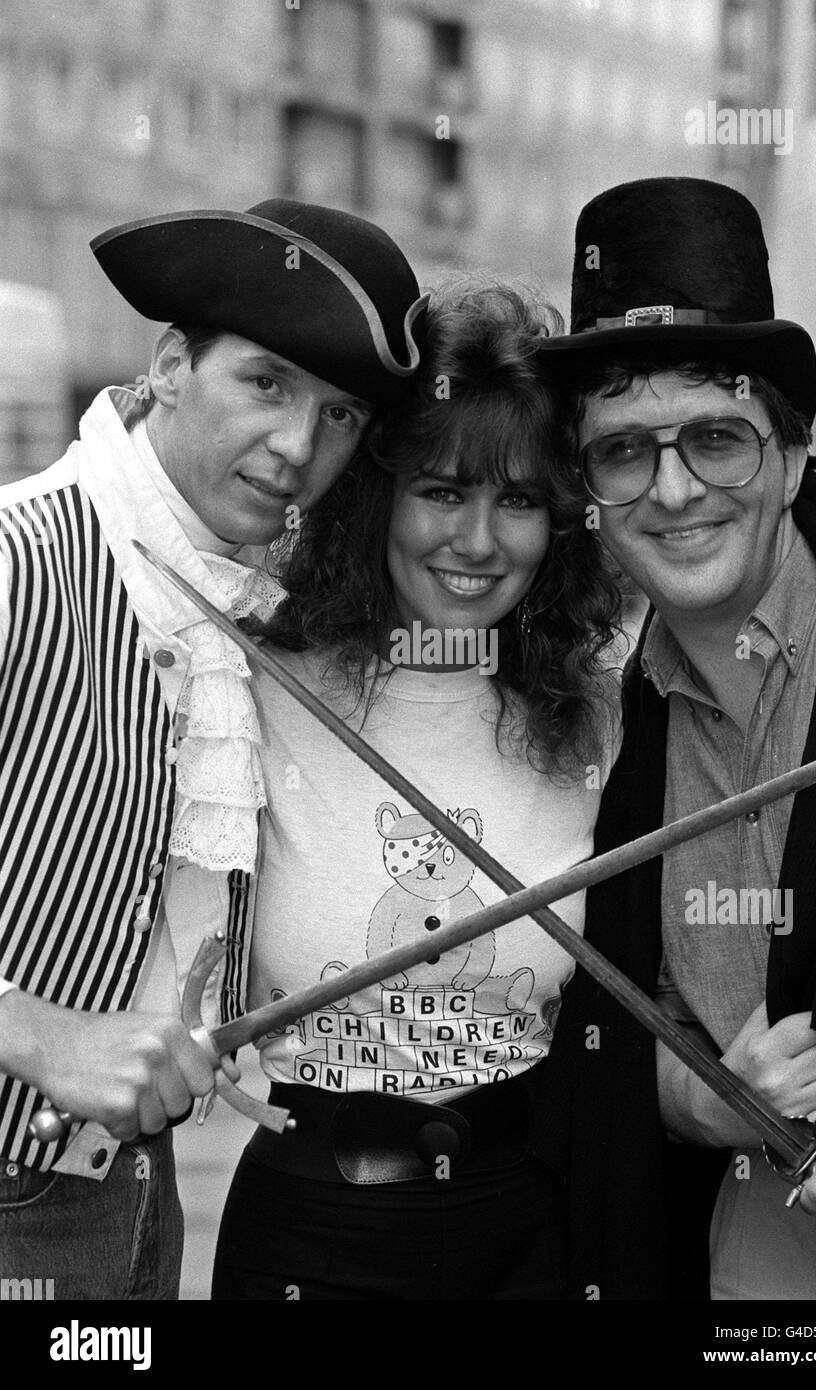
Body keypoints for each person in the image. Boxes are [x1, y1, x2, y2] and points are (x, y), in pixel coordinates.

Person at [0, 198, 426, 1299]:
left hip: (131, 1202)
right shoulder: (16, 556)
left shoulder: (241, 610)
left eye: (339, 417)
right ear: (172, 361)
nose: (297, 448)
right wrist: (35, 1034)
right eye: (267, 383)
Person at [210, 282, 622, 1301]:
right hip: (306, 1229)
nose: (479, 542)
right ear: (375, 489)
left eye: (519, 499)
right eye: (442, 489)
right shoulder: (249, 684)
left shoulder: (602, 718)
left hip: (529, 1234)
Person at [535, 175, 816, 1301]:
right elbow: (612, 1041)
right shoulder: (621, 721)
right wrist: (697, 1096)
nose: (674, 488)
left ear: (791, 457)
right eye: (625, 451)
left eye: (718, 439)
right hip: (752, 1266)